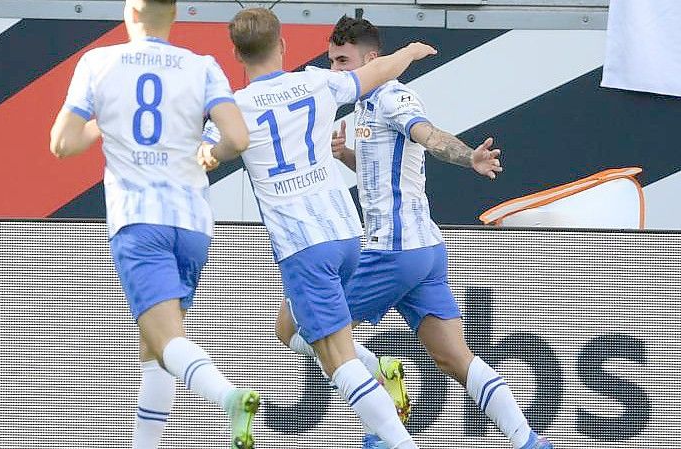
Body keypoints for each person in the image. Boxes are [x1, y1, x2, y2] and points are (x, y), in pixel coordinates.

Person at [275, 15, 554, 449]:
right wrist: (347, 154)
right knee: (454, 358)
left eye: (342, 61)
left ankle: (388, 419)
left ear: (372, 59)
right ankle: (529, 441)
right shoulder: (363, 105)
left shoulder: (392, 96)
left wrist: (468, 158)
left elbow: (427, 134)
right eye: (331, 61)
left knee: (292, 326)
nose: (335, 71)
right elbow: (384, 173)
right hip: (424, 252)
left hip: (393, 250)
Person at [198, 8, 437, 449]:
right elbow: (376, 71)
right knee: (288, 329)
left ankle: (400, 440)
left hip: (302, 245)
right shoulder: (314, 81)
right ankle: (379, 368)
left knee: (338, 362)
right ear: (283, 45)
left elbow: (209, 151)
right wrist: (409, 51)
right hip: (346, 234)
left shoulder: (236, 108)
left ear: (235, 53)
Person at [48, 1, 260, 448]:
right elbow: (238, 138)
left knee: (166, 341)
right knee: (155, 349)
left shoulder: (99, 62)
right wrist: (211, 154)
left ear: (131, 11)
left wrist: (102, 128)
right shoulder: (202, 66)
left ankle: (228, 396)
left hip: (139, 220)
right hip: (193, 224)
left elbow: (62, 144)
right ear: (174, 13)